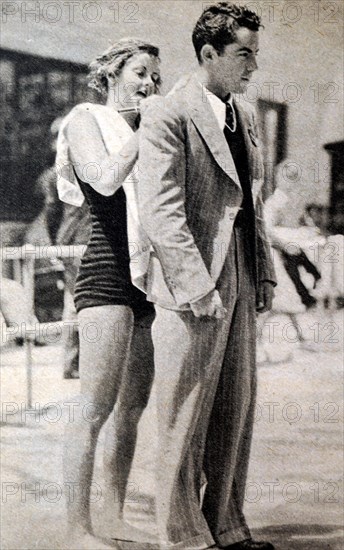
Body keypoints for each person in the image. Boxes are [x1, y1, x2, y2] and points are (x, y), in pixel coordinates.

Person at [136, 4, 276, 549]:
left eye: (255, 55)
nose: (252, 67)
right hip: (190, 284)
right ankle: (184, 537)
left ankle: (228, 527)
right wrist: (197, 286)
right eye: (243, 54)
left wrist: (261, 273)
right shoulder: (168, 114)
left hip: (239, 274)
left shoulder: (246, 116)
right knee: (183, 414)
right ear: (208, 54)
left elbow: (251, 206)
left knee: (235, 408)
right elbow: (161, 210)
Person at [61, 38, 161, 549]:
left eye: (155, 78)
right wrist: (143, 130)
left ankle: (114, 516)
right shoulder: (85, 118)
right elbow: (101, 181)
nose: (149, 84)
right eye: (140, 72)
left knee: (132, 409)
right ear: (112, 74)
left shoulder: (144, 128)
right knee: (93, 408)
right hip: (105, 273)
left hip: (148, 277)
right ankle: (77, 530)